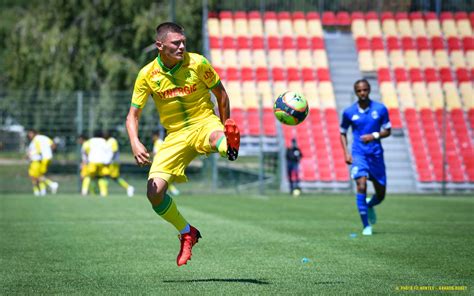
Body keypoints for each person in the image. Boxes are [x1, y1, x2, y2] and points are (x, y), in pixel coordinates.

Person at [125, 22, 240, 267]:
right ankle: (187, 232)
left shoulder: (198, 63)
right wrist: (135, 142)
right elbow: (132, 115)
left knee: (216, 138)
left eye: (183, 41)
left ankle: (228, 144)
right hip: (175, 135)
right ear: (160, 45)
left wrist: (226, 121)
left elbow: (221, 95)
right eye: (176, 43)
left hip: (204, 122)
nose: (182, 46)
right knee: (154, 192)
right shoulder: (147, 75)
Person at [340, 79, 391, 236]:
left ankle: (369, 205)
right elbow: (342, 132)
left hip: (375, 155)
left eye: (365, 90)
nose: (362, 93)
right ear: (356, 92)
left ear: (369, 90)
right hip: (359, 154)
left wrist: (374, 135)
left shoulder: (380, 109)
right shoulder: (349, 112)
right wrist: (346, 153)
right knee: (361, 185)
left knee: (381, 195)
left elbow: (388, 130)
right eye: (359, 91)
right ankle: (366, 226)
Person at [26, 129, 59, 196]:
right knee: (39, 175)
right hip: (48, 157)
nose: (29, 135)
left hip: (42, 159)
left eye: (30, 133)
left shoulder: (36, 139)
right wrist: (50, 152)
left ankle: (52, 184)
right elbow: (53, 145)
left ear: (34, 133)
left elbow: (38, 150)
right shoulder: (44, 137)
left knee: (37, 176)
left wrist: (30, 155)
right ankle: (42, 191)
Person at [81, 130, 113, 197]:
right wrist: (107, 161)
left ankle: (84, 191)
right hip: (102, 162)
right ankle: (103, 193)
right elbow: (109, 151)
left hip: (92, 161)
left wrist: (86, 159)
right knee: (101, 177)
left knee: (88, 176)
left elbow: (85, 149)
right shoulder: (104, 141)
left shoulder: (90, 141)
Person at [104, 130, 135, 197]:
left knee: (113, 177)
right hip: (109, 162)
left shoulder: (112, 141)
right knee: (107, 176)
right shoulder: (108, 141)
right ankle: (104, 192)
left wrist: (110, 160)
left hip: (113, 163)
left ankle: (129, 187)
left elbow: (114, 152)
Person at [152, 130, 180, 196]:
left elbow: (156, 153)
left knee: (161, 178)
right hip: (160, 163)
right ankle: (168, 190)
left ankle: (172, 190)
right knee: (162, 178)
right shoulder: (159, 142)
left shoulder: (158, 142)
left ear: (156, 136)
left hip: (160, 163)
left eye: (153, 136)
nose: (152, 138)